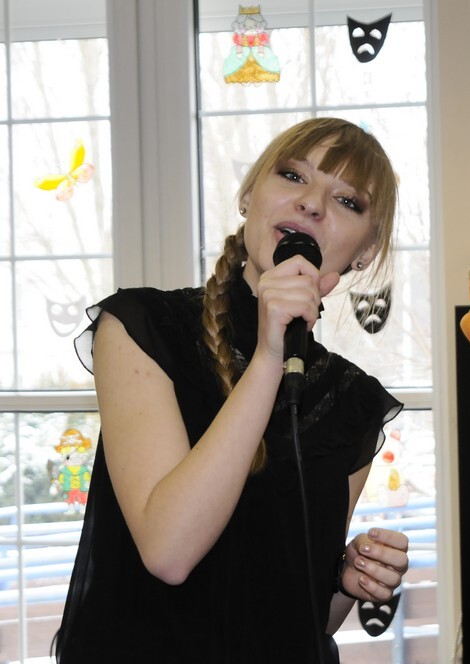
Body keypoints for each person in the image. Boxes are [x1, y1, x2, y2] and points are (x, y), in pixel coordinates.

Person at [54, 118, 409, 663]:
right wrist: (269, 357)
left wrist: (347, 580)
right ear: (249, 196)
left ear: (365, 251)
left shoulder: (352, 400)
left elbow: (309, 616)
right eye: (293, 176)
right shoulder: (142, 327)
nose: (312, 204)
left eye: (347, 201)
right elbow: (169, 552)